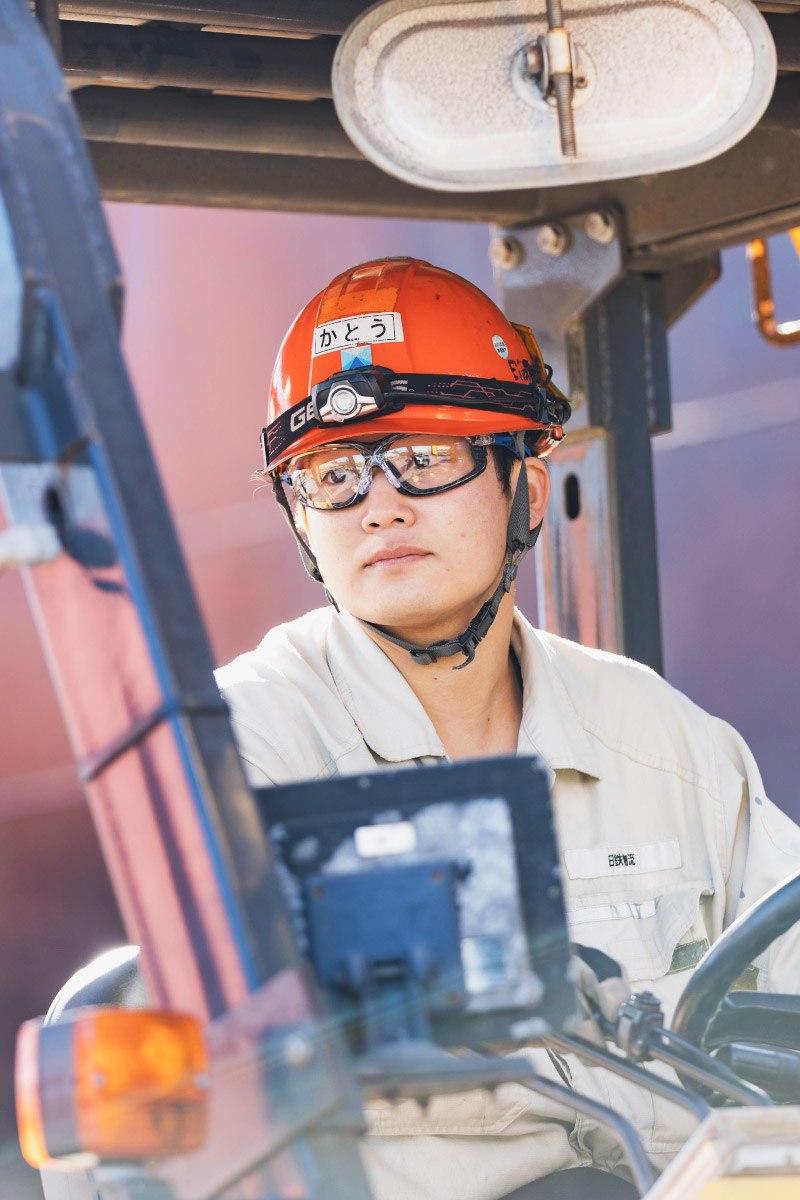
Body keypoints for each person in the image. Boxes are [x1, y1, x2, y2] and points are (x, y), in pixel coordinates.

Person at [217, 257, 800, 1200]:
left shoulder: (658, 737)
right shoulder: (247, 757)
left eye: (425, 458)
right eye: (333, 474)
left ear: (525, 490)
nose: (379, 503)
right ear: (301, 521)